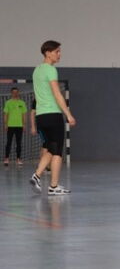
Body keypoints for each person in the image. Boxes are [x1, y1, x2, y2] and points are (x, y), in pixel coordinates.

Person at [29, 40, 76, 195]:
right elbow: (57, 94)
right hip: (53, 115)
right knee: (57, 153)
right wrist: (68, 114)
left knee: (50, 148)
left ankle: (37, 175)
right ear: (47, 53)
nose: (59, 54)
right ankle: (53, 187)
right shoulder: (50, 70)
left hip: (41, 117)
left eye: (59, 51)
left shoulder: (36, 70)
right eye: (57, 51)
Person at [3, 87, 27, 167]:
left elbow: (24, 114)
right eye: (13, 92)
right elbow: (6, 114)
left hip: (19, 126)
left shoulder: (22, 103)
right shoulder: (8, 103)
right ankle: (6, 159)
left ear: (18, 93)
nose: (15, 94)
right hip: (10, 125)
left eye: (16, 92)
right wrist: (5, 124)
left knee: (19, 143)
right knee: (9, 143)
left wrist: (24, 124)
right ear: (11, 93)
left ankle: (18, 159)